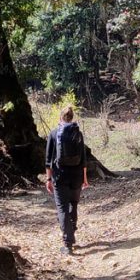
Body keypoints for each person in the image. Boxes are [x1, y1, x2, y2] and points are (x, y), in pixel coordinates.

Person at [45, 106, 89, 254]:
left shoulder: (53, 133)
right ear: (72, 117)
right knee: (73, 204)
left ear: (60, 117)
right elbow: (83, 159)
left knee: (62, 208)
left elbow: (48, 160)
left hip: (60, 176)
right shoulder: (79, 134)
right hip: (76, 175)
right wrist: (85, 178)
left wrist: (48, 179)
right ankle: (72, 231)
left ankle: (68, 242)